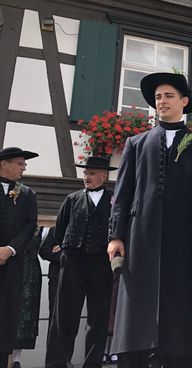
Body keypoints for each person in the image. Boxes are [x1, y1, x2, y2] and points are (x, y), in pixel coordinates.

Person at [107, 72, 192, 368]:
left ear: (184, 102)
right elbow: (122, 194)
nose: (162, 101)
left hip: (184, 246)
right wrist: (116, 235)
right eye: (158, 97)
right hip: (139, 242)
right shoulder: (136, 143)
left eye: (168, 96)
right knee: (134, 319)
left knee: (179, 318)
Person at [45, 157, 117, 368]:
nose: (87, 177)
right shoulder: (72, 199)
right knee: (64, 315)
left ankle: (92, 364)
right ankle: (57, 363)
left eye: (92, 173)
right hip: (73, 262)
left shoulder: (115, 200)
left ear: (104, 175)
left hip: (102, 263)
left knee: (98, 318)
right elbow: (59, 230)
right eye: (85, 173)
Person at [0, 147, 38, 368]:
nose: (24, 167)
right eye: (19, 163)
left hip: (12, 265)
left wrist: (10, 249)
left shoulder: (27, 194)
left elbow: (30, 225)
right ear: (4, 163)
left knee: (6, 317)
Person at [12, 227, 43, 368]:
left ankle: (17, 359)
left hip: (31, 276)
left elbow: (47, 248)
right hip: (12, 269)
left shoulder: (41, 228)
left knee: (25, 317)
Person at [38, 227, 60, 316]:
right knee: (54, 312)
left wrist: (64, 249)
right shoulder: (55, 231)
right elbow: (44, 251)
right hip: (56, 277)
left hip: (75, 279)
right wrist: (63, 255)